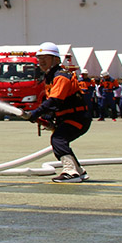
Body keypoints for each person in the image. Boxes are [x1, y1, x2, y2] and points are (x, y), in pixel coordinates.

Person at [28, 42, 91, 183]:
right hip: (69, 117)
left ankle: (71, 172)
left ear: (56, 59)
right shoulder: (50, 77)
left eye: (45, 57)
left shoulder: (61, 76)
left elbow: (55, 100)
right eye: (39, 58)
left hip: (77, 117)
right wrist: (47, 117)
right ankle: (79, 171)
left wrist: (36, 113)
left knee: (58, 139)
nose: (41, 61)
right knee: (61, 140)